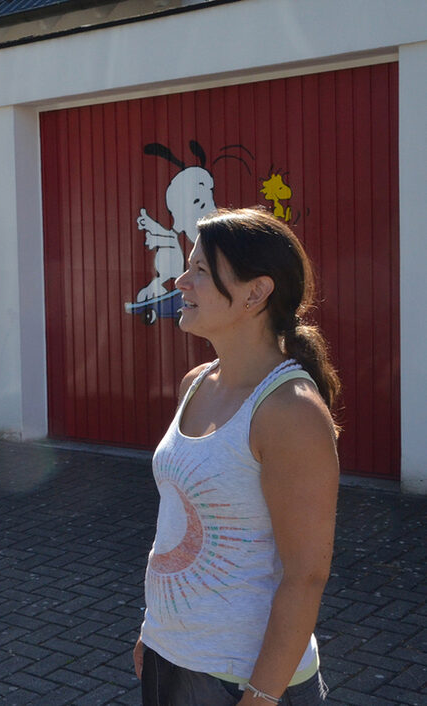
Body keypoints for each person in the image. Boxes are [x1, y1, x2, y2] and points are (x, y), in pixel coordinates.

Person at [132, 207, 339, 705]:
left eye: (201, 270)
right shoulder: (196, 383)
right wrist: (154, 628)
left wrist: (263, 696)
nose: (181, 281)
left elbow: (305, 574)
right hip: (172, 655)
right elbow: (176, 522)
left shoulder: (290, 412)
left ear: (255, 292)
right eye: (188, 266)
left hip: (240, 679)